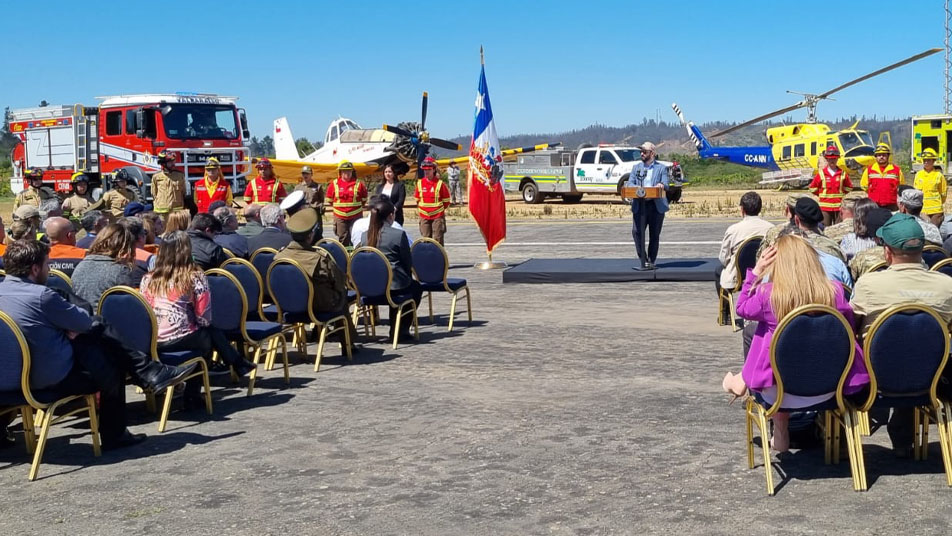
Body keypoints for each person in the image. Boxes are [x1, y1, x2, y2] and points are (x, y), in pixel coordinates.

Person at [0, 240, 197, 449]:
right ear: (35, 268)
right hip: (45, 379)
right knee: (109, 363)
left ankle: (148, 373)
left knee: (90, 340)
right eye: (48, 265)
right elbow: (85, 323)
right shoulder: (42, 296)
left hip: (8, 378)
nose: (49, 270)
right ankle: (118, 429)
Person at [722, 234, 868, 452]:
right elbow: (846, 330)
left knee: (764, 332)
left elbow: (741, 309)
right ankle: (744, 382)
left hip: (779, 391)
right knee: (784, 335)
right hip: (829, 388)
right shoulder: (835, 291)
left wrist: (757, 271)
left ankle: (775, 419)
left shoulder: (767, 295)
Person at [850, 213, 952, 457]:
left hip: (875, 380)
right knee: (916, 350)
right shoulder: (947, 285)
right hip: (933, 380)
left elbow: (850, 328)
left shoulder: (868, 285)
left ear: (887, 251)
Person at [140, 232, 255, 406]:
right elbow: (204, 318)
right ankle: (194, 393)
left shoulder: (148, 278)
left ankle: (237, 363)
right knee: (208, 335)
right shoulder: (193, 276)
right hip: (180, 338)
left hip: (153, 340)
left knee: (208, 333)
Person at [274, 207, 357, 349]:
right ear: (310, 236)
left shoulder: (278, 257)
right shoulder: (319, 258)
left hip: (287, 305)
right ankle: (348, 344)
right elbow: (339, 281)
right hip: (317, 306)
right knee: (341, 295)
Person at [359, 197, 422, 342]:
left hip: (369, 288)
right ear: (390, 216)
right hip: (393, 286)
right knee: (413, 287)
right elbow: (407, 263)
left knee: (398, 284)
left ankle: (397, 328)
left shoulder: (364, 236)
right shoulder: (398, 235)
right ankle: (401, 329)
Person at [715, 191, 773, 322]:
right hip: (765, 275)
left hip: (739, 277)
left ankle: (726, 314)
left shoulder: (733, 229)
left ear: (742, 209)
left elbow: (723, 258)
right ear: (760, 208)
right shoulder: (771, 228)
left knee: (718, 271)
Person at [71, 224, 144, 303]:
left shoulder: (81, 265)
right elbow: (130, 305)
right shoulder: (120, 271)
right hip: (106, 314)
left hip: (81, 313)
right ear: (126, 246)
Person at [627, 141, 669, 270]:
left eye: (644, 151)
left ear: (652, 153)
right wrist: (640, 189)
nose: (642, 154)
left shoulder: (661, 168)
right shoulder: (636, 168)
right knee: (636, 232)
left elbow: (666, 184)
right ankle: (643, 260)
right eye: (641, 152)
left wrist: (661, 185)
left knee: (654, 234)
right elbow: (630, 184)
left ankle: (651, 261)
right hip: (640, 205)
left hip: (655, 205)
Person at [808, 145, 853, 226]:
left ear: (837, 159)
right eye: (830, 159)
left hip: (839, 207)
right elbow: (812, 188)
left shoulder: (842, 173)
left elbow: (849, 187)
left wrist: (841, 193)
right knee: (825, 229)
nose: (832, 161)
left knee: (838, 229)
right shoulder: (821, 174)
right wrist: (821, 194)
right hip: (825, 208)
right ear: (827, 159)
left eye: (834, 158)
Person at [326, 161, 368, 247]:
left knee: (356, 237)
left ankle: (356, 256)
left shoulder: (359, 184)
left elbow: (364, 199)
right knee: (343, 237)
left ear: (352, 172)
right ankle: (343, 256)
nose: (347, 173)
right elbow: (329, 200)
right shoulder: (334, 184)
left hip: (355, 216)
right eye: (344, 171)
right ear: (340, 172)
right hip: (340, 216)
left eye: (349, 171)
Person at [415, 157, 451, 245]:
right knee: (425, 239)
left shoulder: (440, 184)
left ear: (434, 169)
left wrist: (437, 210)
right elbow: (417, 199)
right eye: (424, 170)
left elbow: (446, 201)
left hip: (437, 216)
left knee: (438, 240)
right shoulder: (420, 183)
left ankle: (439, 258)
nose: (426, 172)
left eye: (429, 170)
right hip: (424, 215)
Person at [861, 143, 904, 210]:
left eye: (884, 155)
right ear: (875, 156)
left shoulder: (896, 170)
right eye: (879, 155)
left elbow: (901, 186)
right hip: (874, 205)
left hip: (892, 205)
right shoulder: (869, 170)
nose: (881, 157)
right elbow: (864, 186)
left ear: (888, 156)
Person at [914, 148, 947, 227]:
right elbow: (916, 193)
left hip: (936, 211)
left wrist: (936, 203)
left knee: (934, 232)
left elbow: (943, 194)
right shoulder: (918, 175)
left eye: (928, 160)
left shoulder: (939, 176)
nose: (926, 162)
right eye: (924, 160)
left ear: (933, 161)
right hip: (922, 210)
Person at [150, 151, 186, 221]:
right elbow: (154, 193)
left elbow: (183, 192)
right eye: (170, 162)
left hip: (176, 211)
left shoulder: (180, 175)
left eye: (173, 161)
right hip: (161, 212)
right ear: (163, 164)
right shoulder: (156, 177)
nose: (173, 164)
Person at [294, 165, 326, 233]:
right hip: (303, 215)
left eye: (307, 173)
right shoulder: (298, 188)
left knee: (317, 233)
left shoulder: (318, 187)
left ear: (311, 174)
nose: (305, 175)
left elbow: (321, 200)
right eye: (303, 173)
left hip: (315, 214)